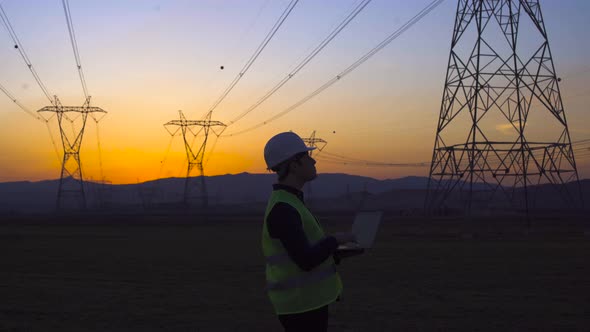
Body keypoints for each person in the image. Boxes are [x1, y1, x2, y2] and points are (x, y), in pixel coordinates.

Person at [261, 131, 357, 332]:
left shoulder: (290, 201)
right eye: (306, 156)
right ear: (294, 164)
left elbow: (303, 252)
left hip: (304, 302)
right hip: (300, 305)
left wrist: (335, 253)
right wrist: (334, 240)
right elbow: (305, 260)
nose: (313, 161)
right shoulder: (284, 209)